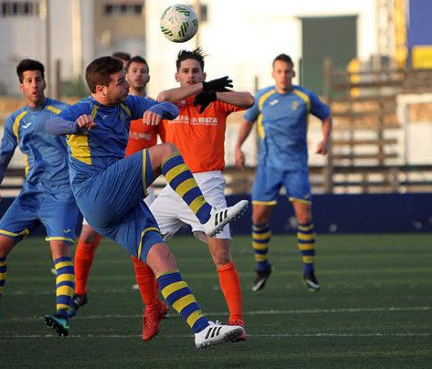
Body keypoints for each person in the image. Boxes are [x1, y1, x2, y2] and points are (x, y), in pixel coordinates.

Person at [45, 56, 247, 349]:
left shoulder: (127, 103)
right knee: (165, 152)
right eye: (120, 81)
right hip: (95, 192)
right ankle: (207, 215)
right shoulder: (85, 108)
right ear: (101, 89)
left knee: (162, 258)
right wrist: (73, 125)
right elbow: (52, 125)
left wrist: (157, 112)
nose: (127, 83)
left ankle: (201, 328)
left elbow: (166, 107)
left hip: (116, 204)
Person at [148, 48, 254, 341]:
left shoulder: (216, 103)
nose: (190, 75)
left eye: (196, 71)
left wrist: (215, 95)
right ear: (177, 76)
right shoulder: (170, 104)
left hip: (207, 185)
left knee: (220, 254)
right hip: (174, 185)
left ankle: (237, 321)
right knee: (142, 242)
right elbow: (161, 98)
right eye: (186, 72)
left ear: (203, 74)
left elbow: (248, 99)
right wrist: (201, 89)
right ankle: (153, 307)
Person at [69, 55, 170, 342]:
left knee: (143, 249)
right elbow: (60, 125)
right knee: (87, 237)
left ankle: (152, 307)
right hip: (102, 185)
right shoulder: (94, 108)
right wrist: (73, 125)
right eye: (130, 72)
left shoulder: (141, 106)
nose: (135, 76)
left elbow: (168, 129)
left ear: (147, 76)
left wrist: (165, 107)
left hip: (137, 184)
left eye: (140, 72)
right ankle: (79, 291)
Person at [234, 53, 332, 293]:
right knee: (258, 218)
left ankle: (309, 271)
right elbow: (247, 119)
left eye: (287, 71)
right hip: (268, 167)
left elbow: (326, 115)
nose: (283, 76)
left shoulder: (304, 97)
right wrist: (238, 147)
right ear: (273, 73)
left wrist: (325, 140)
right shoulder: (263, 97)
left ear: (293, 73)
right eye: (279, 71)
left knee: (304, 218)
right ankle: (262, 267)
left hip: (296, 167)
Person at [0, 59, 81, 336]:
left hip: (62, 195)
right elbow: (3, 158)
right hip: (29, 196)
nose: (35, 85)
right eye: (29, 81)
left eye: (38, 79)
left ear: (45, 82)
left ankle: (62, 315)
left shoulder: (63, 112)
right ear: (21, 86)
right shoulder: (15, 120)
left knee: (59, 251)